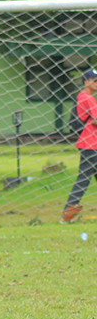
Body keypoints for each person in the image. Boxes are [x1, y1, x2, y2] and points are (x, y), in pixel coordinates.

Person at [61, 68, 97, 223]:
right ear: (86, 81)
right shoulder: (88, 98)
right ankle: (67, 213)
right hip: (90, 144)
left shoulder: (82, 96)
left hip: (91, 143)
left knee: (84, 178)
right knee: (83, 178)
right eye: (94, 80)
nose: (96, 83)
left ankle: (67, 213)